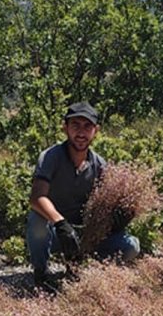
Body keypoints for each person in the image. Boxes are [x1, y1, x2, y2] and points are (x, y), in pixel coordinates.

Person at [26, 101, 140, 289]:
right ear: (65, 128)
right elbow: (37, 197)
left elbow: (106, 205)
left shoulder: (99, 164)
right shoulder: (50, 157)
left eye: (88, 126)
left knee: (131, 246)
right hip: (56, 233)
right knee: (36, 220)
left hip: (84, 235)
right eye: (75, 125)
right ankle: (42, 273)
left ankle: (81, 265)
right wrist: (61, 224)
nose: (81, 132)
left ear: (96, 130)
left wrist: (120, 217)